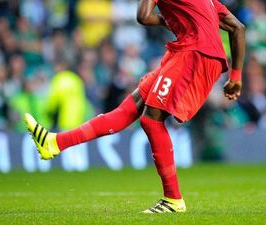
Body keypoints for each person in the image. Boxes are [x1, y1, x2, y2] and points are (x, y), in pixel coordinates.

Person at [24, 0, 245, 214]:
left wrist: (163, 21)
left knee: (151, 119)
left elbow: (143, 16)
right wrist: (235, 77)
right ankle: (54, 143)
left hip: (194, 54)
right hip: (187, 52)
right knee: (128, 109)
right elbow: (238, 28)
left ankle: (173, 199)